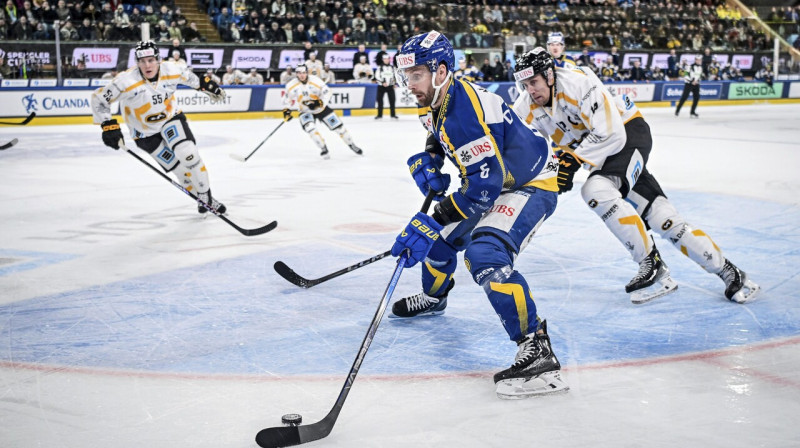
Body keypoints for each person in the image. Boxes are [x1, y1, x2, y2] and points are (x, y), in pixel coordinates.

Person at [389, 31, 568, 399]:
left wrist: (434, 218)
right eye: (407, 76)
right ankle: (435, 298)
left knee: (485, 254)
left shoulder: (462, 113)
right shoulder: (439, 95)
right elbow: (436, 128)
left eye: (416, 75)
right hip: (502, 177)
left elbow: (484, 188)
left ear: (441, 71)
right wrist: (432, 156)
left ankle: (537, 350)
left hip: (531, 182)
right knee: (438, 243)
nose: (410, 85)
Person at [512, 47, 759, 305]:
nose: (530, 90)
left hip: (629, 133)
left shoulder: (578, 83)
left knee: (596, 190)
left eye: (534, 82)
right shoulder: (526, 105)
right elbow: (519, 148)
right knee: (663, 218)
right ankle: (731, 272)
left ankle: (651, 263)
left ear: (549, 75)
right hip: (604, 153)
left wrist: (573, 160)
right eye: (524, 85)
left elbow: (611, 133)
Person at [90, 40, 228, 215]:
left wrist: (208, 86)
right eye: (142, 61)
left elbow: (193, 79)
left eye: (150, 60)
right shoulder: (126, 81)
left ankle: (205, 195)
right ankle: (202, 199)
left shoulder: (172, 69)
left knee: (188, 154)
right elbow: (99, 99)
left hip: (170, 119)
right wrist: (108, 125)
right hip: (143, 133)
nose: (147, 65)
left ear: (158, 59)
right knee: (179, 171)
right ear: (137, 62)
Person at [281, 65, 363, 159]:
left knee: (340, 128)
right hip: (305, 111)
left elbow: (327, 92)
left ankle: (352, 144)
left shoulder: (315, 80)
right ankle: (323, 148)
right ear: (296, 74)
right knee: (310, 129)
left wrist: (320, 103)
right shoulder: (291, 85)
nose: (302, 75)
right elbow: (286, 100)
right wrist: (286, 111)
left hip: (321, 109)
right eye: (299, 73)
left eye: (303, 73)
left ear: (307, 73)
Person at [373, 53, 397, 119]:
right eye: (385, 59)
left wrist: (394, 83)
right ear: (383, 60)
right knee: (380, 101)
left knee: (392, 100)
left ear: (389, 59)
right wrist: (382, 82)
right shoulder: (379, 67)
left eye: (387, 59)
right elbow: (377, 76)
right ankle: (379, 115)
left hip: (390, 86)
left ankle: (393, 115)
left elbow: (395, 76)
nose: (386, 60)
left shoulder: (392, 67)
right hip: (381, 86)